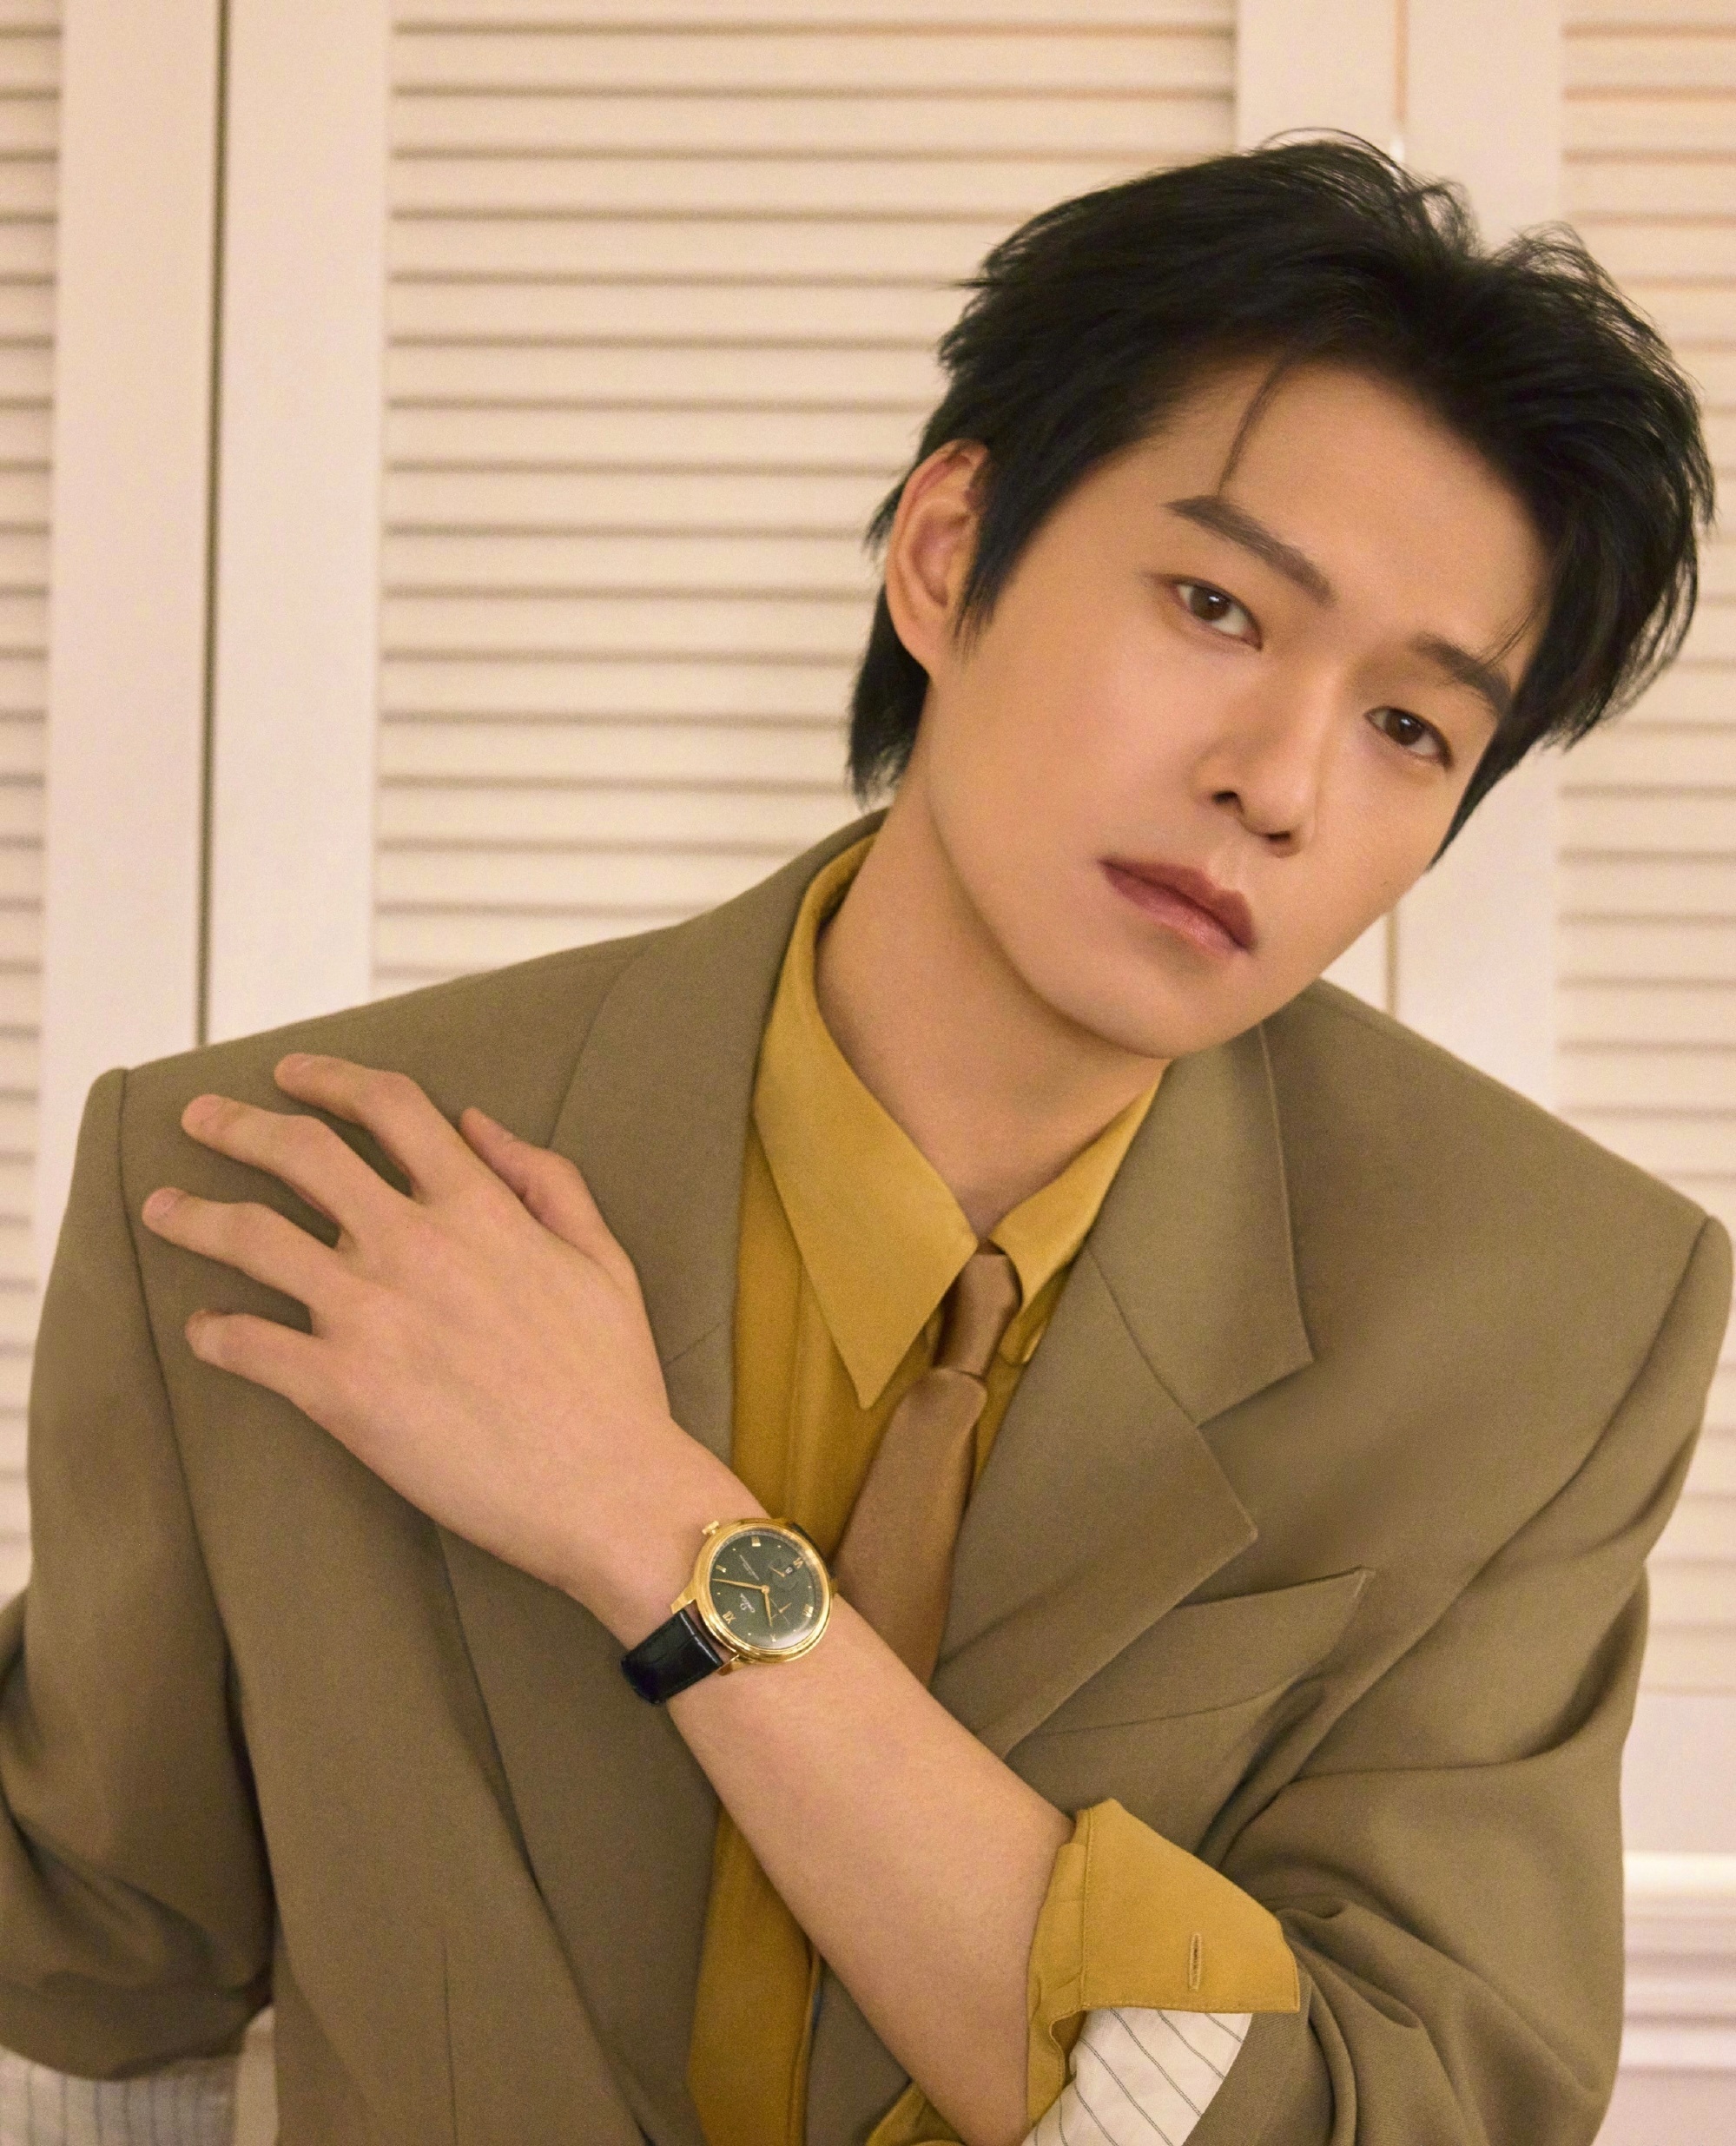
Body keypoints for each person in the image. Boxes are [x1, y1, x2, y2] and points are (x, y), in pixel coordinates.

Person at [0, 141, 1726, 2146]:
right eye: (1213, 606)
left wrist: (647, 1520)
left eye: (1409, 729)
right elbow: (91, 2009)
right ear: (945, 552)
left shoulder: (1555, 1324)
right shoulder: (290, 1194)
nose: (1277, 784)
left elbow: (1390, 2118)